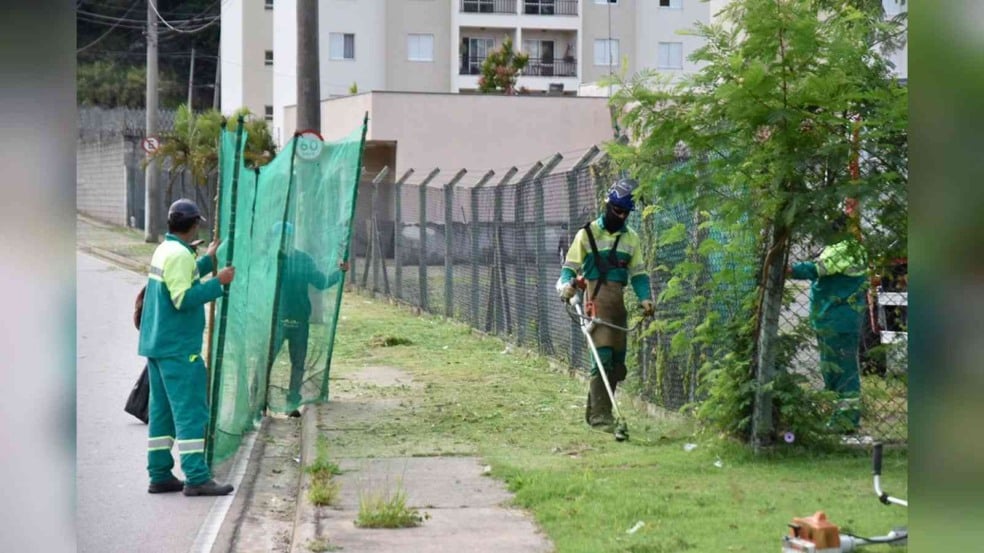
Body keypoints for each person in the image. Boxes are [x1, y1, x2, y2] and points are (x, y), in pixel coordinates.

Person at [139, 198, 237, 496]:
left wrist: (207, 260)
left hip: (157, 346)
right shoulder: (179, 255)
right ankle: (196, 477)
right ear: (194, 225)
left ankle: (159, 474)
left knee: (163, 414)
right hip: (179, 349)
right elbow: (182, 298)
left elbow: (180, 278)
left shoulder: (165, 249)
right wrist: (218, 283)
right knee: (190, 412)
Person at [557, 177, 656, 432]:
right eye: (618, 211)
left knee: (617, 364)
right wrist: (566, 287)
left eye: (626, 213)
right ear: (608, 206)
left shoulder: (631, 239)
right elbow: (569, 269)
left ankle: (595, 412)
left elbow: (639, 274)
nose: (622, 216)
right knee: (601, 356)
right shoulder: (586, 235)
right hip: (594, 303)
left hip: (618, 306)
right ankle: (602, 417)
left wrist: (646, 298)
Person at [788, 214, 868, 433]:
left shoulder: (845, 248)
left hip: (840, 318)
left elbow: (817, 269)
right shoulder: (845, 247)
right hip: (832, 318)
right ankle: (838, 416)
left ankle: (847, 420)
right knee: (832, 368)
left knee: (843, 369)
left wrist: (790, 270)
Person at [269, 222, 348, 416]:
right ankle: (278, 404)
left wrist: (340, 272)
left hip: (287, 320)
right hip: (286, 320)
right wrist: (340, 273)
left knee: (286, 362)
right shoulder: (280, 260)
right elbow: (321, 282)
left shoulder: (280, 260)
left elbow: (321, 282)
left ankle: (286, 404)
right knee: (285, 362)